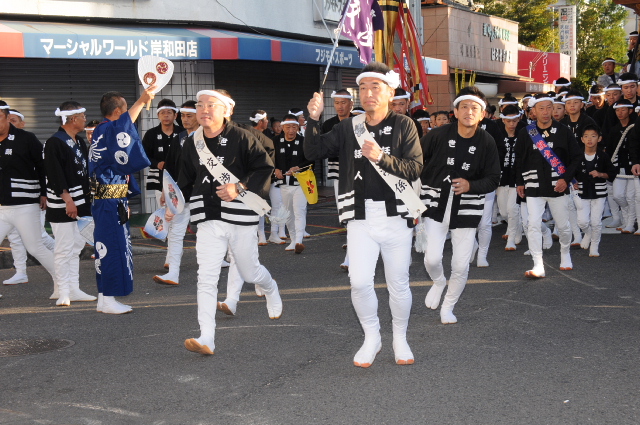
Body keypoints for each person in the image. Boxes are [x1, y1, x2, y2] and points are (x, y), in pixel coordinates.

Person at [305, 61, 423, 367]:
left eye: (376, 87)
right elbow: (314, 152)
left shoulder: (404, 125)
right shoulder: (348, 127)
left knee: (398, 283)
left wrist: (382, 157)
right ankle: (372, 336)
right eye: (363, 88)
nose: (368, 93)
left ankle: (400, 337)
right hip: (359, 216)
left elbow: (414, 168)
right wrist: (313, 120)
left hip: (396, 217)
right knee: (358, 282)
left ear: (390, 92)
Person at [175, 89, 282, 356]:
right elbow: (185, 180)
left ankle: (269, 286)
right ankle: (207, 337)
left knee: (249, 272)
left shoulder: (243, 137)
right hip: (207, 216)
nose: (204, 110)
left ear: (227, 110)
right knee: (206, 277)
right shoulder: (192, 142)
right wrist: (173, 203)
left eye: (211, 105)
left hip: (240, 214)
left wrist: (239, 187)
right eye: (200, 105)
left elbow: (264, 168)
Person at [420, 86, 500, 322]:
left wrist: (470, 185)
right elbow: (414, 162)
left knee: (461, 265)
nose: (469, 111)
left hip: (467, 207)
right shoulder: (437, 135)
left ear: (482, 114)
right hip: (435, 204)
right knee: (432, 258)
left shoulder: (487, 142)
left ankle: (448, 307)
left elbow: (493, 179)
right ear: (455, 112)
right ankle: (438, 281)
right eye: (464, 106)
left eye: (474, 108)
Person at [89, 89, 153, 314]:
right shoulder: (108, 129)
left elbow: (123, 128)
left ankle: (103, 297)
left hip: (107, 198)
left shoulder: (102, 130)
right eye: (125, 110)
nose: (128, 114)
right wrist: (141, 101)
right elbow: (124, 127)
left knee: (105, 247)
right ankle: (108, 299)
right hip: (109, 199)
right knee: (113, 247)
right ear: (117, 112)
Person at [515, 93, 581, 278]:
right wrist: (519, 182)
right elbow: (519, 159)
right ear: (533, 111)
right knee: (533, 224)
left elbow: (577, 157)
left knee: (563, 225)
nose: (545, 112)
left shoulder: (564, 131)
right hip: (533, 185)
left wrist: (566, 179)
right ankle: (538, 264)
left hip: (558, 185)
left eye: (548, 108)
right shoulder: (526, 132)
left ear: (553, 109)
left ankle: (565, 253)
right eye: (541, 108)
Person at [0, 101, 58, 297]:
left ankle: (65, 284)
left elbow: (43, 166)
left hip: (24, 204)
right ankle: (21, 273)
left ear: (7, 118)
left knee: (35, 247)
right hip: (1, 207)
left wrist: (44, 192)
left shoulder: (26, 139)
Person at [43, 101, 96, 306]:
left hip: (81, 201)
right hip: (63, 204)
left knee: (76, 246)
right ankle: (63, 291)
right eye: (83, 117)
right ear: (73, 119)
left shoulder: (79, 141)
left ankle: (74, 288)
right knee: (63, 248)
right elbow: (54, 174)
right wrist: (67, 200)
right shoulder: (54, 142)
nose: (85, 120)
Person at [153, 100, 198, 286]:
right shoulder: (178, 138)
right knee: (176, 233)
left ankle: (223, 261)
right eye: (183, 116)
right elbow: (169, 167)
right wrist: (166, 190)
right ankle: (173, 272)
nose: (185, 119)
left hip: (202, 194)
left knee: (211, 233)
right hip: (180, 193)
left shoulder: (207, 137)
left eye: (189, 116)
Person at [323, 89, 354, 270]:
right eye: (337, 103)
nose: (340, 106)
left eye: (343, 102)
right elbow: (321, 148)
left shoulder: (359, 120)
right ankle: (353, 244)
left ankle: (351, 255)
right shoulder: (328, 124)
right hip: (338, 173)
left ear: (351, 104)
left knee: (354, 212)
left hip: (358, 173)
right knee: (344, 211)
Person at [574, 125, 617, 256]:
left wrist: (600, 174)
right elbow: (570, 171)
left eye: (593, 136)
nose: (589, 139)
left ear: (599, 138)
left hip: (599, 192)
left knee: (596, 222)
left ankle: (594, 246)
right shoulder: (577, 156)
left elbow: (612, 173)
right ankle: (588, 233)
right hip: (582, 192)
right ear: (582, 139)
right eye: (586, 136)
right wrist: (573, 181)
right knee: (582, 222)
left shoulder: (603, 156)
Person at [275, 114, 313, 253]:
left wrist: (299, 167)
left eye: (294, 127)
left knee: (299, 211)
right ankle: (293, 239)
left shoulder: (304, 141)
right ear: (282, 127)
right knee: (288, 213)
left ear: (298, 127)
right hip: (284, 183)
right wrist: (275, 169)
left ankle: (299, 241)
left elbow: (311, 159)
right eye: (288, 127)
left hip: (300, 183)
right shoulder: (276, 141)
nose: (291, 130)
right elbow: (270, 158)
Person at [142, 98, 185, 210]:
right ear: (158, 115)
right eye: (162, 113)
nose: (166, 115)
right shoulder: (151, 134)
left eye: (169, 112)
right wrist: (157, 163)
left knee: (181, 210)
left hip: (181, 177)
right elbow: (144, 155)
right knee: (164, 210)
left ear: (175, 115)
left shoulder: (182, 133)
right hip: (159, 178)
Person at [605, 99, 637, 234]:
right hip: (618, 167)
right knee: (618, 195)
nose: (620, 113)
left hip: (633, 167)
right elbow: (610, 149)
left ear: (630, 111)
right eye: (617, 110)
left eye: (623, 110)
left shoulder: (635, 127)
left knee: (630, 196)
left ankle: (629, 223)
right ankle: (626, 218)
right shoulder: (614, 129)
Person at [496, 104, 523, 251]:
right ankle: (517, 229)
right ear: (503, 120)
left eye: (514, 120)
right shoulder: (497, 135)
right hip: (501, 177)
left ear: (519, 119)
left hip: (517, 177)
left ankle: (511, 239)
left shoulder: (523, 134)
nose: (512, 124)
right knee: (504, 212)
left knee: (512, 209)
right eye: (508, 121)